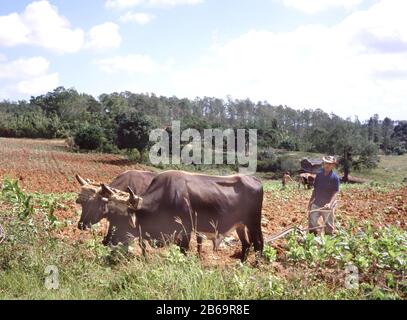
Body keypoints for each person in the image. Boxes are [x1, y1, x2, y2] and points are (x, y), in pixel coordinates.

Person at [307, 156, 340, 235]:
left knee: (328, 225)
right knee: (312, 222)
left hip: (327, 206)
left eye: (329, 164)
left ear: (333, 165)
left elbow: (335, 192)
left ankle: (328, 240)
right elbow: (315, 189)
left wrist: (330, 203)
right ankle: (312, 238)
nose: (327, 165)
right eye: (326, 163)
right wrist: (311, 201)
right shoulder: (319, 175)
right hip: (317, 203)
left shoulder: (335, 178)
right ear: (323, 164)